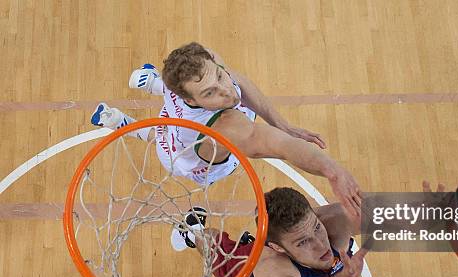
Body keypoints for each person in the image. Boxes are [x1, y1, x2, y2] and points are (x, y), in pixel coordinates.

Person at [91, 42, 362, 217]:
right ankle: (124, 124)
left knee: (206, 92)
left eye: (219, 77)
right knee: (158, 135)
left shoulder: (206, 62)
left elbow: (238, 83)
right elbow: (282, 146)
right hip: (185, 156)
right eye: (210, 92)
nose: (227, 91)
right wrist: (332, 170)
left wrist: (282, 123)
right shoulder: (226, 127)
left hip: (181, 110)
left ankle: (156, 83)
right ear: (191, 100)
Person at [174, 181, 448, 277]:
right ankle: (193, 233)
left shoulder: (334, 220)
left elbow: (387, 216)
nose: (322, 245)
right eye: (303, 242)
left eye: (316, 228)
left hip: (301, 263)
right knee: (212, 244)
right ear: (277, 247)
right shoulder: (271, 269)